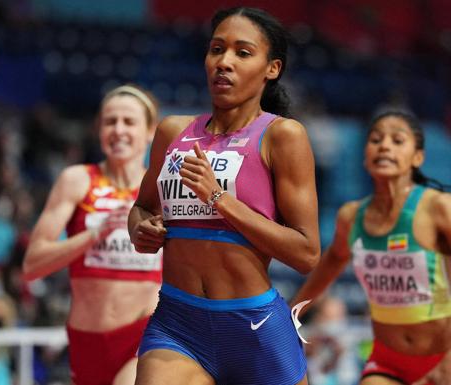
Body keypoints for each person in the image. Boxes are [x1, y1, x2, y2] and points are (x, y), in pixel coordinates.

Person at [127, 6, 320, 385]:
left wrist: (220, 200)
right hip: (178, 326)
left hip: (254, 327)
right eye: (217, 49)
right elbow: (141, 208)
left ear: (272, 68)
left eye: (242, 53)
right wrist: (141, 229)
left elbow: (306, 253)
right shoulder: (172, 131)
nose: (224, 62)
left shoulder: (283, 136)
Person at [292, 108, 451, 385]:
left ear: (418, 157)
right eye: (376, 139)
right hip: (387, 362)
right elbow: (332, 262)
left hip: (450, 360)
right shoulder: (351, 217)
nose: (385, 146)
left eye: (397, 140)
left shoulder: (442, 209)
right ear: (365, 155)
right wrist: (291, 312)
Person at [22, 84, 162, 385]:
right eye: (110, 121)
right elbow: (33, 265)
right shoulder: (76, 181)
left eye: (129, 122)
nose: (118, 129)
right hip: (87, 340)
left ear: (150, 131)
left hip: (144, 335)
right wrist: (93, 234)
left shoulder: (161, 189)